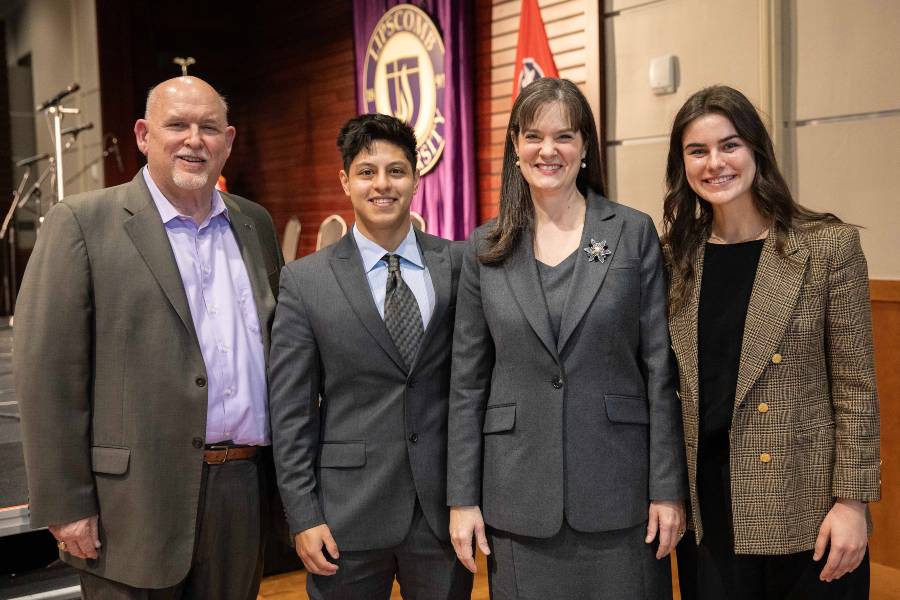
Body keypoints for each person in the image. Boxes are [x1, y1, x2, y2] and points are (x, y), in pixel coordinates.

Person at [14, 76, 283, 598]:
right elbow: (46, 374)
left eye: (208, 127)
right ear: (142, 134)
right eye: (177, 124)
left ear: (228, 140)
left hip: (242, 492)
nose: (194, 139)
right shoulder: (82, 223)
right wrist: (67, 503)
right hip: (132, 504)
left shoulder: (255, 224)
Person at [447, 77, 687, 599]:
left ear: (584, 148)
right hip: (517, 497)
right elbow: (467, 383)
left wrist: (668, 490)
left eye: (564, 137)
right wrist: (462, 498)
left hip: (620, 494)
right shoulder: (485, 247)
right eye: (533, 136)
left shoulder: (631, 232)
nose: (548, 150)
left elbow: (659, 369)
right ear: (515, 148)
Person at [663, 85, 880, 599]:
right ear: (683, 165)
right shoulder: (675, 258)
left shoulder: (827, 247)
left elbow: (856, 387)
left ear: (757, 150)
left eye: (730, 145)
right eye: (698, 151)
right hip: (709, 514)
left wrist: (853, 504)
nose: (715, 163)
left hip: (806, 512)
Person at [268, 113, 472, 600]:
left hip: (441, 512)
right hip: (345, 515)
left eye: (397, 171)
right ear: (346, 181)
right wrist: (304, 513)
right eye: (367, 172)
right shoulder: (305, 281)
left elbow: (473, 386)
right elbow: (291, 411)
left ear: (416, 178)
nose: (383, 184)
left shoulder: (459, 265)